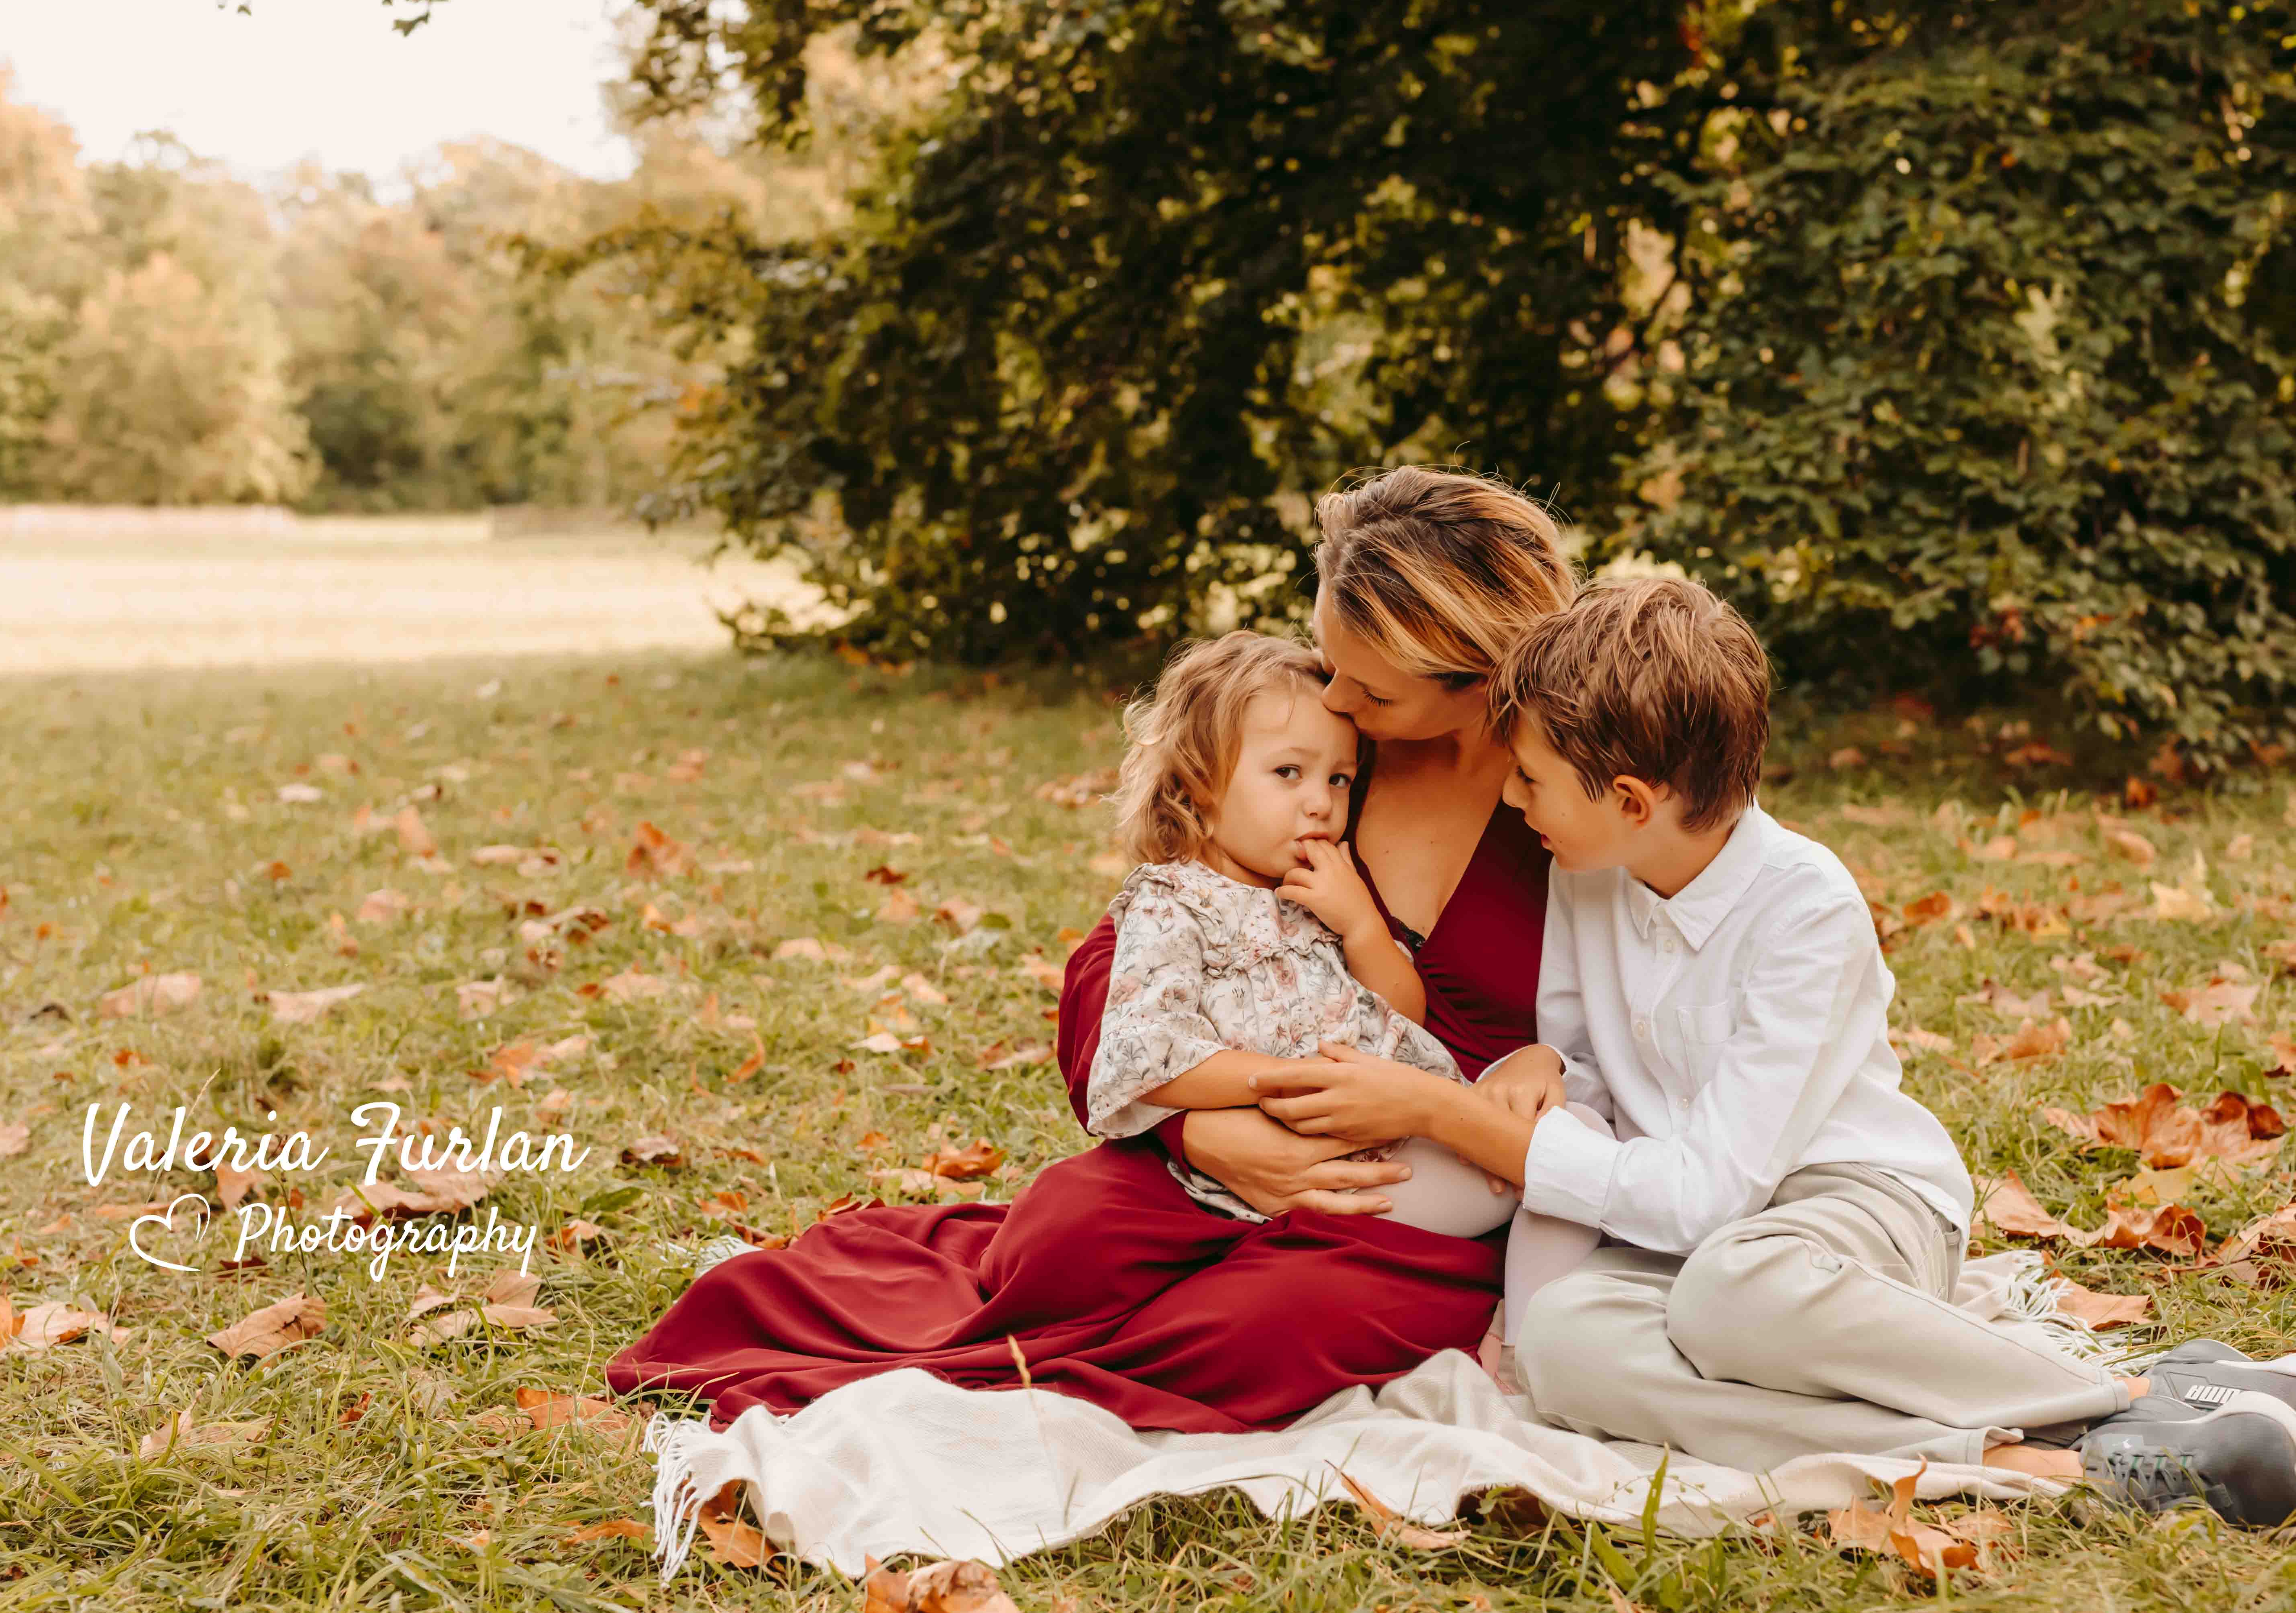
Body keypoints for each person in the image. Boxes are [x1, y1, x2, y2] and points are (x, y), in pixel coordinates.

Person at [1252, 577, 2296, 1525]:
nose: (1511, 796)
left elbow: (1714, 1196)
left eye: (1533, 779)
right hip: (1685, 1230)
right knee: (1562, 1349)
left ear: (1635, 798)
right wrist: (1558, 1074)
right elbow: (1599, 1068)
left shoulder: (1806, 908)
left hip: (1848, 1206)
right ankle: (2059, 1448)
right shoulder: (1585, 873)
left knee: (1732, 1296)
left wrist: (1462, 1120)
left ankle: (2126, 1390)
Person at [605, 468, 1577, 1434]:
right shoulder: (1325, 755)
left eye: (1368, 684)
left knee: (1256, 1332)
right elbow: (1119, 971)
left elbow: (1658, 1027)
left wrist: (1540, 1066)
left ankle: (1057, 1379)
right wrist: (1197, 1133)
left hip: (1431, 1178)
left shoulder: (1568, 794)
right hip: (1240, 1125)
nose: (1336, 694)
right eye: (1331, 662)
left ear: (1473, 672)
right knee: (1056, 1233)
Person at [1078, 629, 1605, 1334]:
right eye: (1290, 775)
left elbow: (1404, 1014)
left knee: (1575, 1138)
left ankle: (1531, 1335)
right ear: (1198, 780)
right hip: (1321, 1155)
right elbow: (1146, 1053)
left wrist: (1361, 926)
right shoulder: (1175, 902)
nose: (1324, 802)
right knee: (1074, 1236)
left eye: (1339, 780)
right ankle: (1527, 1317)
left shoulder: (1320, 885)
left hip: (1410, 1135)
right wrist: (1274, 1093)